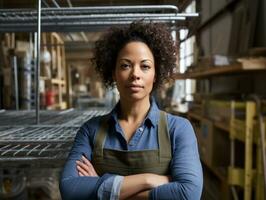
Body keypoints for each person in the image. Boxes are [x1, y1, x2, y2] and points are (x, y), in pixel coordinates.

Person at [59, 21, 203, 200]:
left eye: (145, 66)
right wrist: (148, 180)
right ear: (113, 73)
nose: (135, 74)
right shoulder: (91, 130)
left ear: (156, 74)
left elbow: (188, 194)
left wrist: (103, 188)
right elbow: (70, 189)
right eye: (126, 65)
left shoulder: (178, 129)